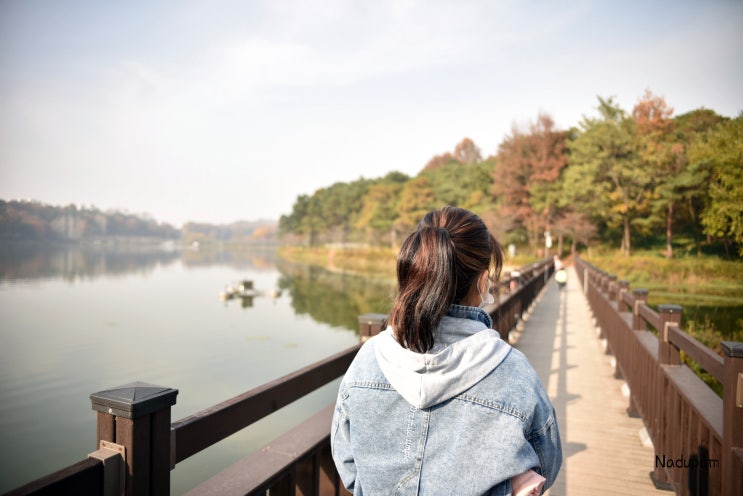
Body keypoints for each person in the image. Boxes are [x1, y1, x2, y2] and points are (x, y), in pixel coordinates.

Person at [331, 206, 562, 495]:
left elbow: (348, 465)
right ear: (481, 282)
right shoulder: (513, 371)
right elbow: (546, 464)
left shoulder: (368, 359)